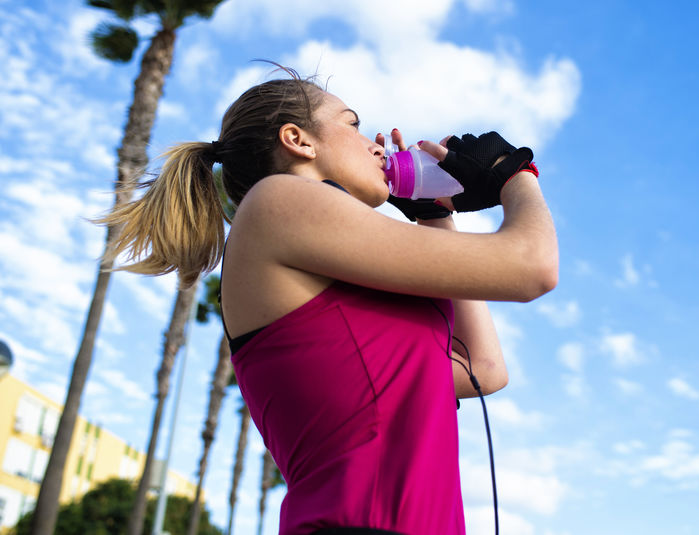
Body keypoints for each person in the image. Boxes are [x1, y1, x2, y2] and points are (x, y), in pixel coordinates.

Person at [99, 68, 558, 535]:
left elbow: (482, 369)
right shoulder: (275, 201)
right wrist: (514, 173)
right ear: (298, 140)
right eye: (353, 124)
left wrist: (432, 214)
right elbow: (533, 267)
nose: (376, 145)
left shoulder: (341, 277)